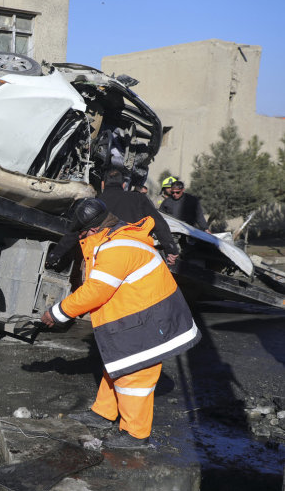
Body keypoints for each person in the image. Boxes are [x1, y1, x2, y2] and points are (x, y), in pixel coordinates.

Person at [40, 198, 201, 449]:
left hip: (148, 319)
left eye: (82, 232)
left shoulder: (117, 248)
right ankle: (104, 413)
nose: (80, 237)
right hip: (139, 313)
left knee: (135, 375)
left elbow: (96, 291)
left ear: (93, 230)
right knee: (119, 364)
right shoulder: (114, 240)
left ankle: (135, 434)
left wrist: (58, 312)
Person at [47, 169, 179, 269]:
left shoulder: (97, 203)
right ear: (123, 185)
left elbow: (74, 232)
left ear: (103, 184)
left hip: (104, 261)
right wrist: (171, 250)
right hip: (134, 259)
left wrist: (54, 255)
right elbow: (160, 224)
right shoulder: (138, 199)